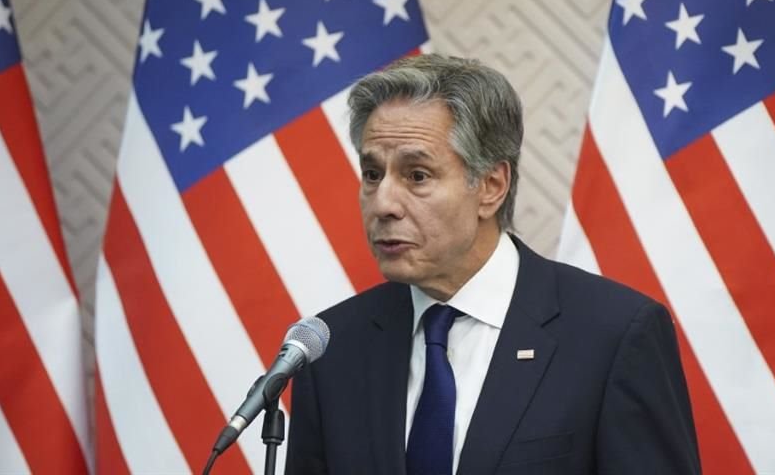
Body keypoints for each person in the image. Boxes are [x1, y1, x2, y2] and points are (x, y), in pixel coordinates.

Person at [284, 54, 701, 474]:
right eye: (373, 174)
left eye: (417, 176)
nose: (384, 203)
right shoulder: (331, 348)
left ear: (491, 186)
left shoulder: (613, 335)